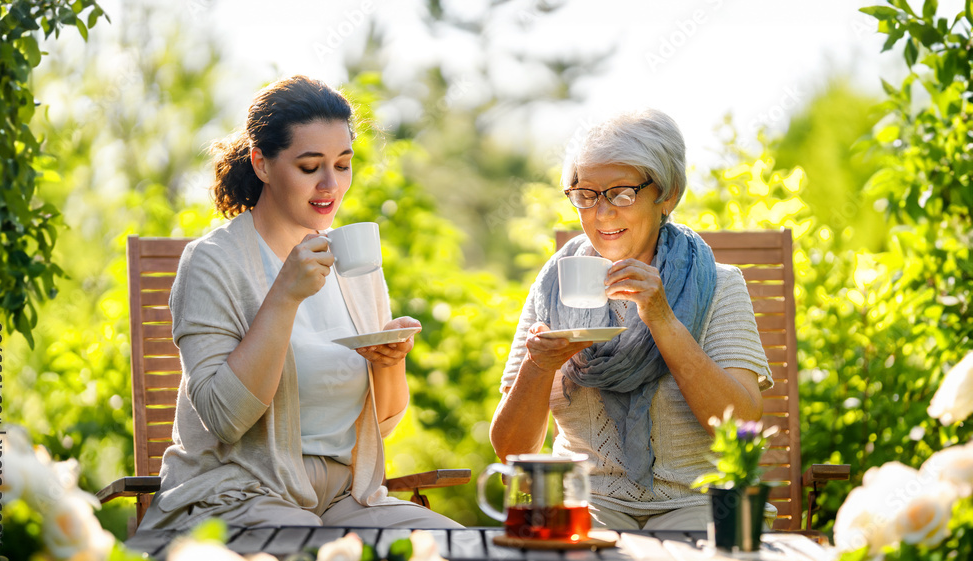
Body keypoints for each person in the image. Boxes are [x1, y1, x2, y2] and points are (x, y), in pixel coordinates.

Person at [139, 76, 462, 530]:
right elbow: (223, 419)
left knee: (451, 545)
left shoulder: (353, 259)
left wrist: (389, 362)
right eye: (310, 166)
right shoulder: (214, 261)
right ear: (262, 164)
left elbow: (382, 424)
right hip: (236, 494)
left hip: (348, 497)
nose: (331, 184)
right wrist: (284, 297)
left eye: (343, 164)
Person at [489, 110, 774, 531]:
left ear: (668, 194)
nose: (601, 213)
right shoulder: (554, 285)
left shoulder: (719, 284)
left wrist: (663, 319)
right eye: (585, 195)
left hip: (699, 501)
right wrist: (539, 365)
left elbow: (741, 424)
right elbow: (512, 449)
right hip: (585, 502)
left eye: (621, 193)